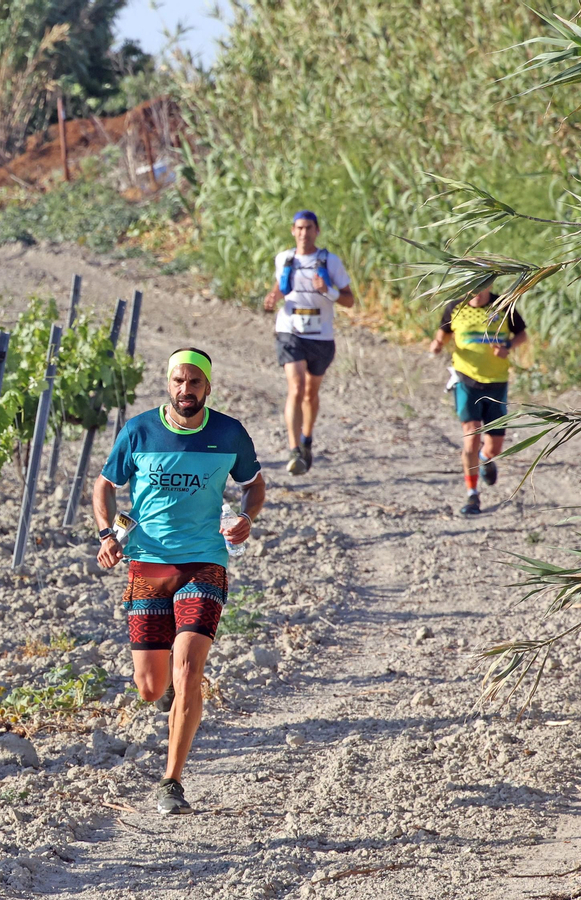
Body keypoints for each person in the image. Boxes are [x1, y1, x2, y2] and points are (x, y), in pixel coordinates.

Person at [92, 348, 267, 815]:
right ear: (168, 384)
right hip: (148, 564)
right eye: (177, 381)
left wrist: (246, 516)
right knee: (150, 687)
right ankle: (164, 686)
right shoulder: (140, 431)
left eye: (194, 382)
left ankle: (171, 782)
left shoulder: (229, 433)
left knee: (190, 667)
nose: (185, 390)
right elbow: (105, 485)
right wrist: (108, 534)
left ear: (208, 387)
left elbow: (254, 483)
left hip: (204, 563)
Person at [262, 210, 355, 475]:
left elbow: (349, 300)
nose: (304, 233)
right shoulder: (284, 258)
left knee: (310, 393)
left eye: (309, 228)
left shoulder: (330, 261)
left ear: (317, 231)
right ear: (293, 230)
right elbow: (281, 287)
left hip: (321, 336)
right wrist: (272, 298)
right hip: (290, 330)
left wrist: (328, 290)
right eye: (299, 228)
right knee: (296, 387)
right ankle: (293, 450)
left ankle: (306, 439)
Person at [429, 284, 528, 515]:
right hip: (466, 381)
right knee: (471, 437)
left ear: (491, 284)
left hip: (496, 382)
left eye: (483, 286)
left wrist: (508, 346)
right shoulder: (455, 307)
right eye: (473, 286)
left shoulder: (503, 305)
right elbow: (442, 334)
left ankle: (485, 458)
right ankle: (472, 495)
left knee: (493, 448)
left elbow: (522, 335)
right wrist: (436, 345)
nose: (478, 291)